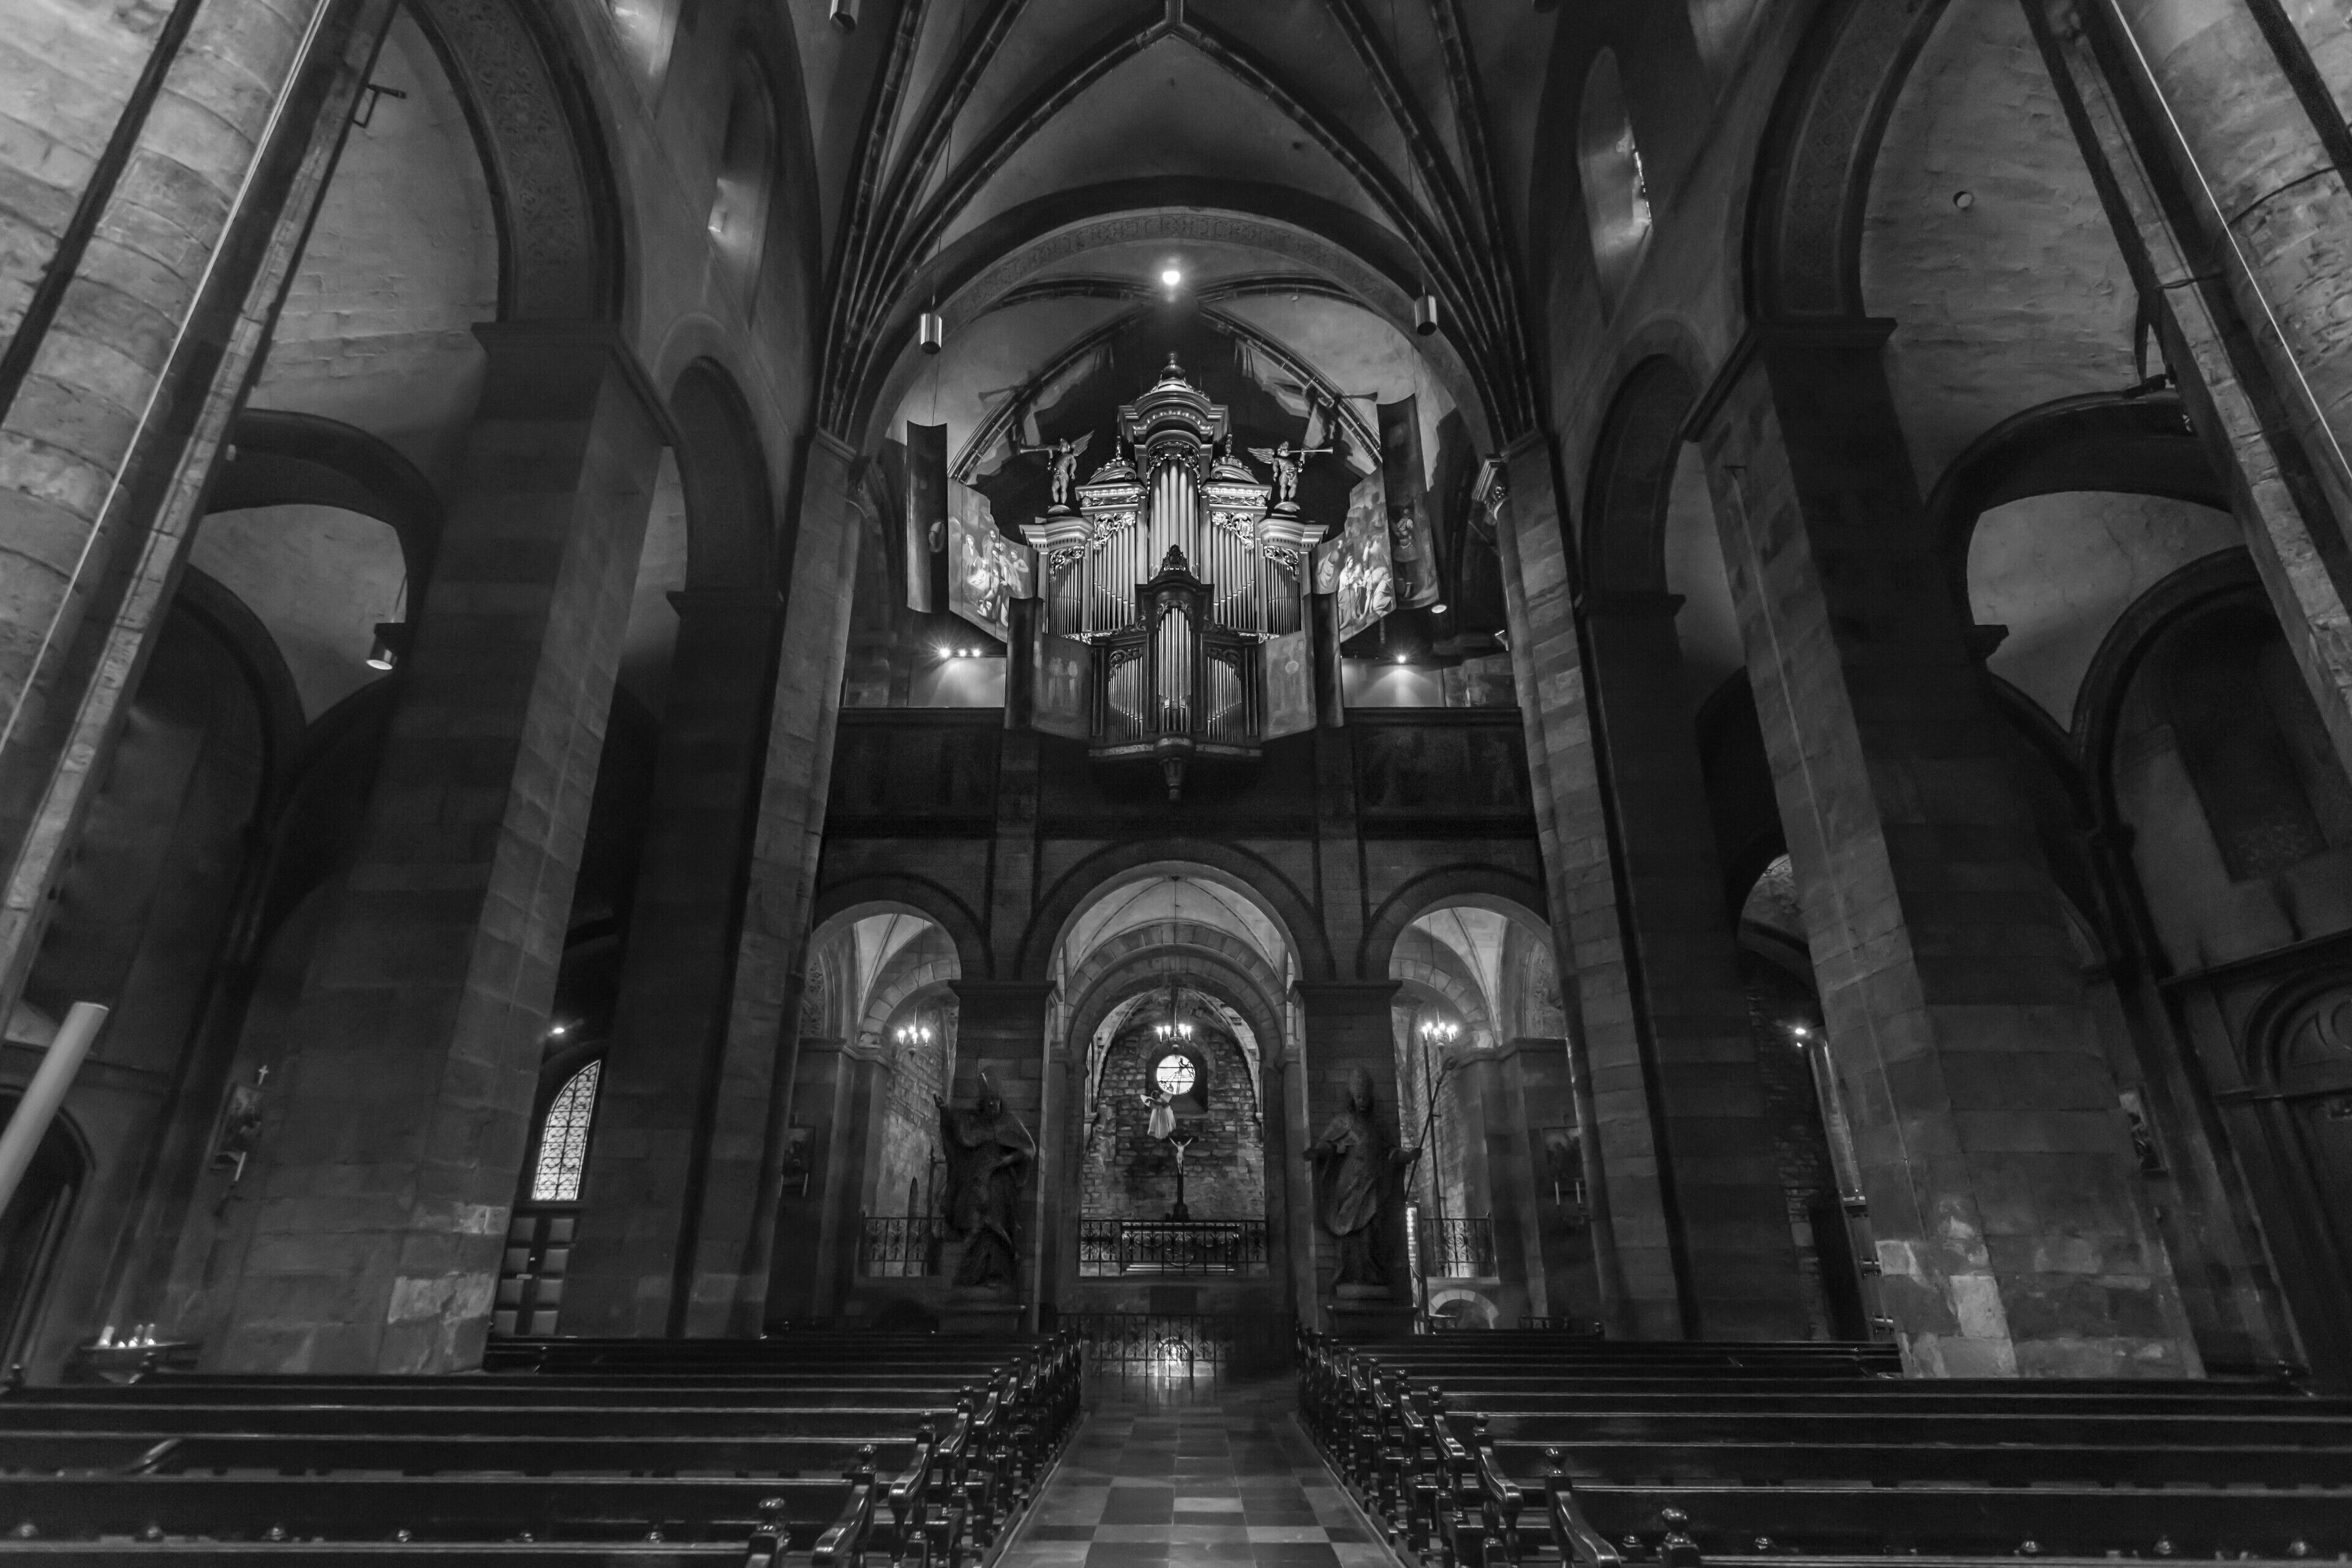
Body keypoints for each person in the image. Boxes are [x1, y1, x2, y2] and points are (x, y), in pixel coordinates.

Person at [1303, 1067, 1419, 1286]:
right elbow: (1328, 1144)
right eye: (1359, 1097)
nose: (1363, 1101)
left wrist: (1407, 1156)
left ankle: (1373, 1274)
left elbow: (1389, 1151)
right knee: (1351, 1231)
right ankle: (1350, 1273)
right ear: (1353, 1099)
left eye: (1366, 1097)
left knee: (1374, 1228)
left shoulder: (1376, 1126)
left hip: (1373, 1184)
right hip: (1350, 1186)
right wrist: (1318, 1152)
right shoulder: (1344, 1122)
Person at [935, 1077, 1035, 1289]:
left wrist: (1004, 1161)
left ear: (1001, 1103)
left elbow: (1027, 1150)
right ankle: (971, 1275)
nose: (992, 1106)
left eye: (995, 1102)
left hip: (998, 1186)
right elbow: (957, 1139)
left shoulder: (1008, 1123)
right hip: (975, 1183)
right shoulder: (972, 1125)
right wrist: (944, 1111)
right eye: (988, 1102)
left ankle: (996, 1274)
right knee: (974, 1227)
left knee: (995, 1229)